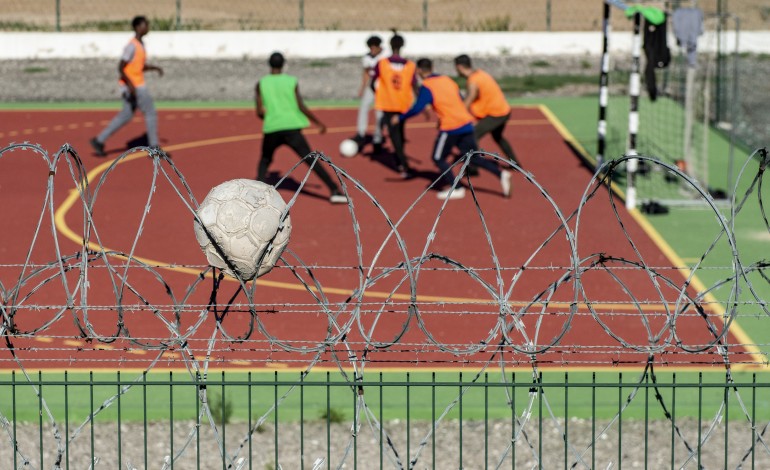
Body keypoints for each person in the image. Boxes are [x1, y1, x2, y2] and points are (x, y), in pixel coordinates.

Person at [395, 58, 511, 201]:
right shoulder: (447, 80)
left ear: (418, 71)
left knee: (438, 158)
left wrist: (399, 118)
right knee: (472, 157)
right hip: (466, 123)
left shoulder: (427, 85)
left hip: (451, 127)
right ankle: (500, 174)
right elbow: (458, 99)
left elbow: (418, 108)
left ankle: (457, 188)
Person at [255, 52, 348, 204]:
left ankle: (255, 196)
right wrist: (318, 122)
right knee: (311, 160)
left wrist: (269, 116)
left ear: (269, 64)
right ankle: (334, 190)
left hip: (272, 128)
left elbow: (259, 111)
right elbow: (301, 106)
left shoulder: (261, 83)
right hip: (292, 127)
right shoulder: (291, 81)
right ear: (283, 64)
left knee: (265, 160)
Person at [90, 15, 164, 157]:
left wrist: (155, 68)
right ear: (138, 27)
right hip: (135, 86)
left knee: (126, 115)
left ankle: (99, 140)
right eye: (145, 25)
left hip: (134, 85)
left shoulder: (140, 44)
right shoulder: (132, 46)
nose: (147, 27)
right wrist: (130, 86)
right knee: (150, 113)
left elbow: (138, 66)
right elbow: (121, 67)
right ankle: (154, 147)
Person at [453, 54, 520, 167]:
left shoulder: (473, 81)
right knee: (498, 137)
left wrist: (457, 114)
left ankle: (472, 168)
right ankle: (515, 163)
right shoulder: (480, 73)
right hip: (503, 111)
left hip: (496, 114)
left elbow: (470, 98)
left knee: (472, 137)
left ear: (459, 67)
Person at [371, 30, 418, 178]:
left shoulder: (382, 64)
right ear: (403, 45)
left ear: (389, 45)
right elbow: (415, 85)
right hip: (403, 104)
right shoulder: (410, 65)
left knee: (395, 136)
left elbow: (373, 83)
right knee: (400, 134)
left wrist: (380, 94)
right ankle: (400, 161)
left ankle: (404, 165)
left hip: (388, 105)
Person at [353, 35, 387, 154]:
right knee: (363, 108)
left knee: (379, 114)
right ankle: (361, 133)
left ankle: (377, 138)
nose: (372, 50)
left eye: (374, 48)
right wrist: (362, 87)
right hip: (371, 86)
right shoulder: (367, 57)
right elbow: (366, 72)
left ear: (379, 47)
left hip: (382, 89)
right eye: (370, 48)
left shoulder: (385, 56)